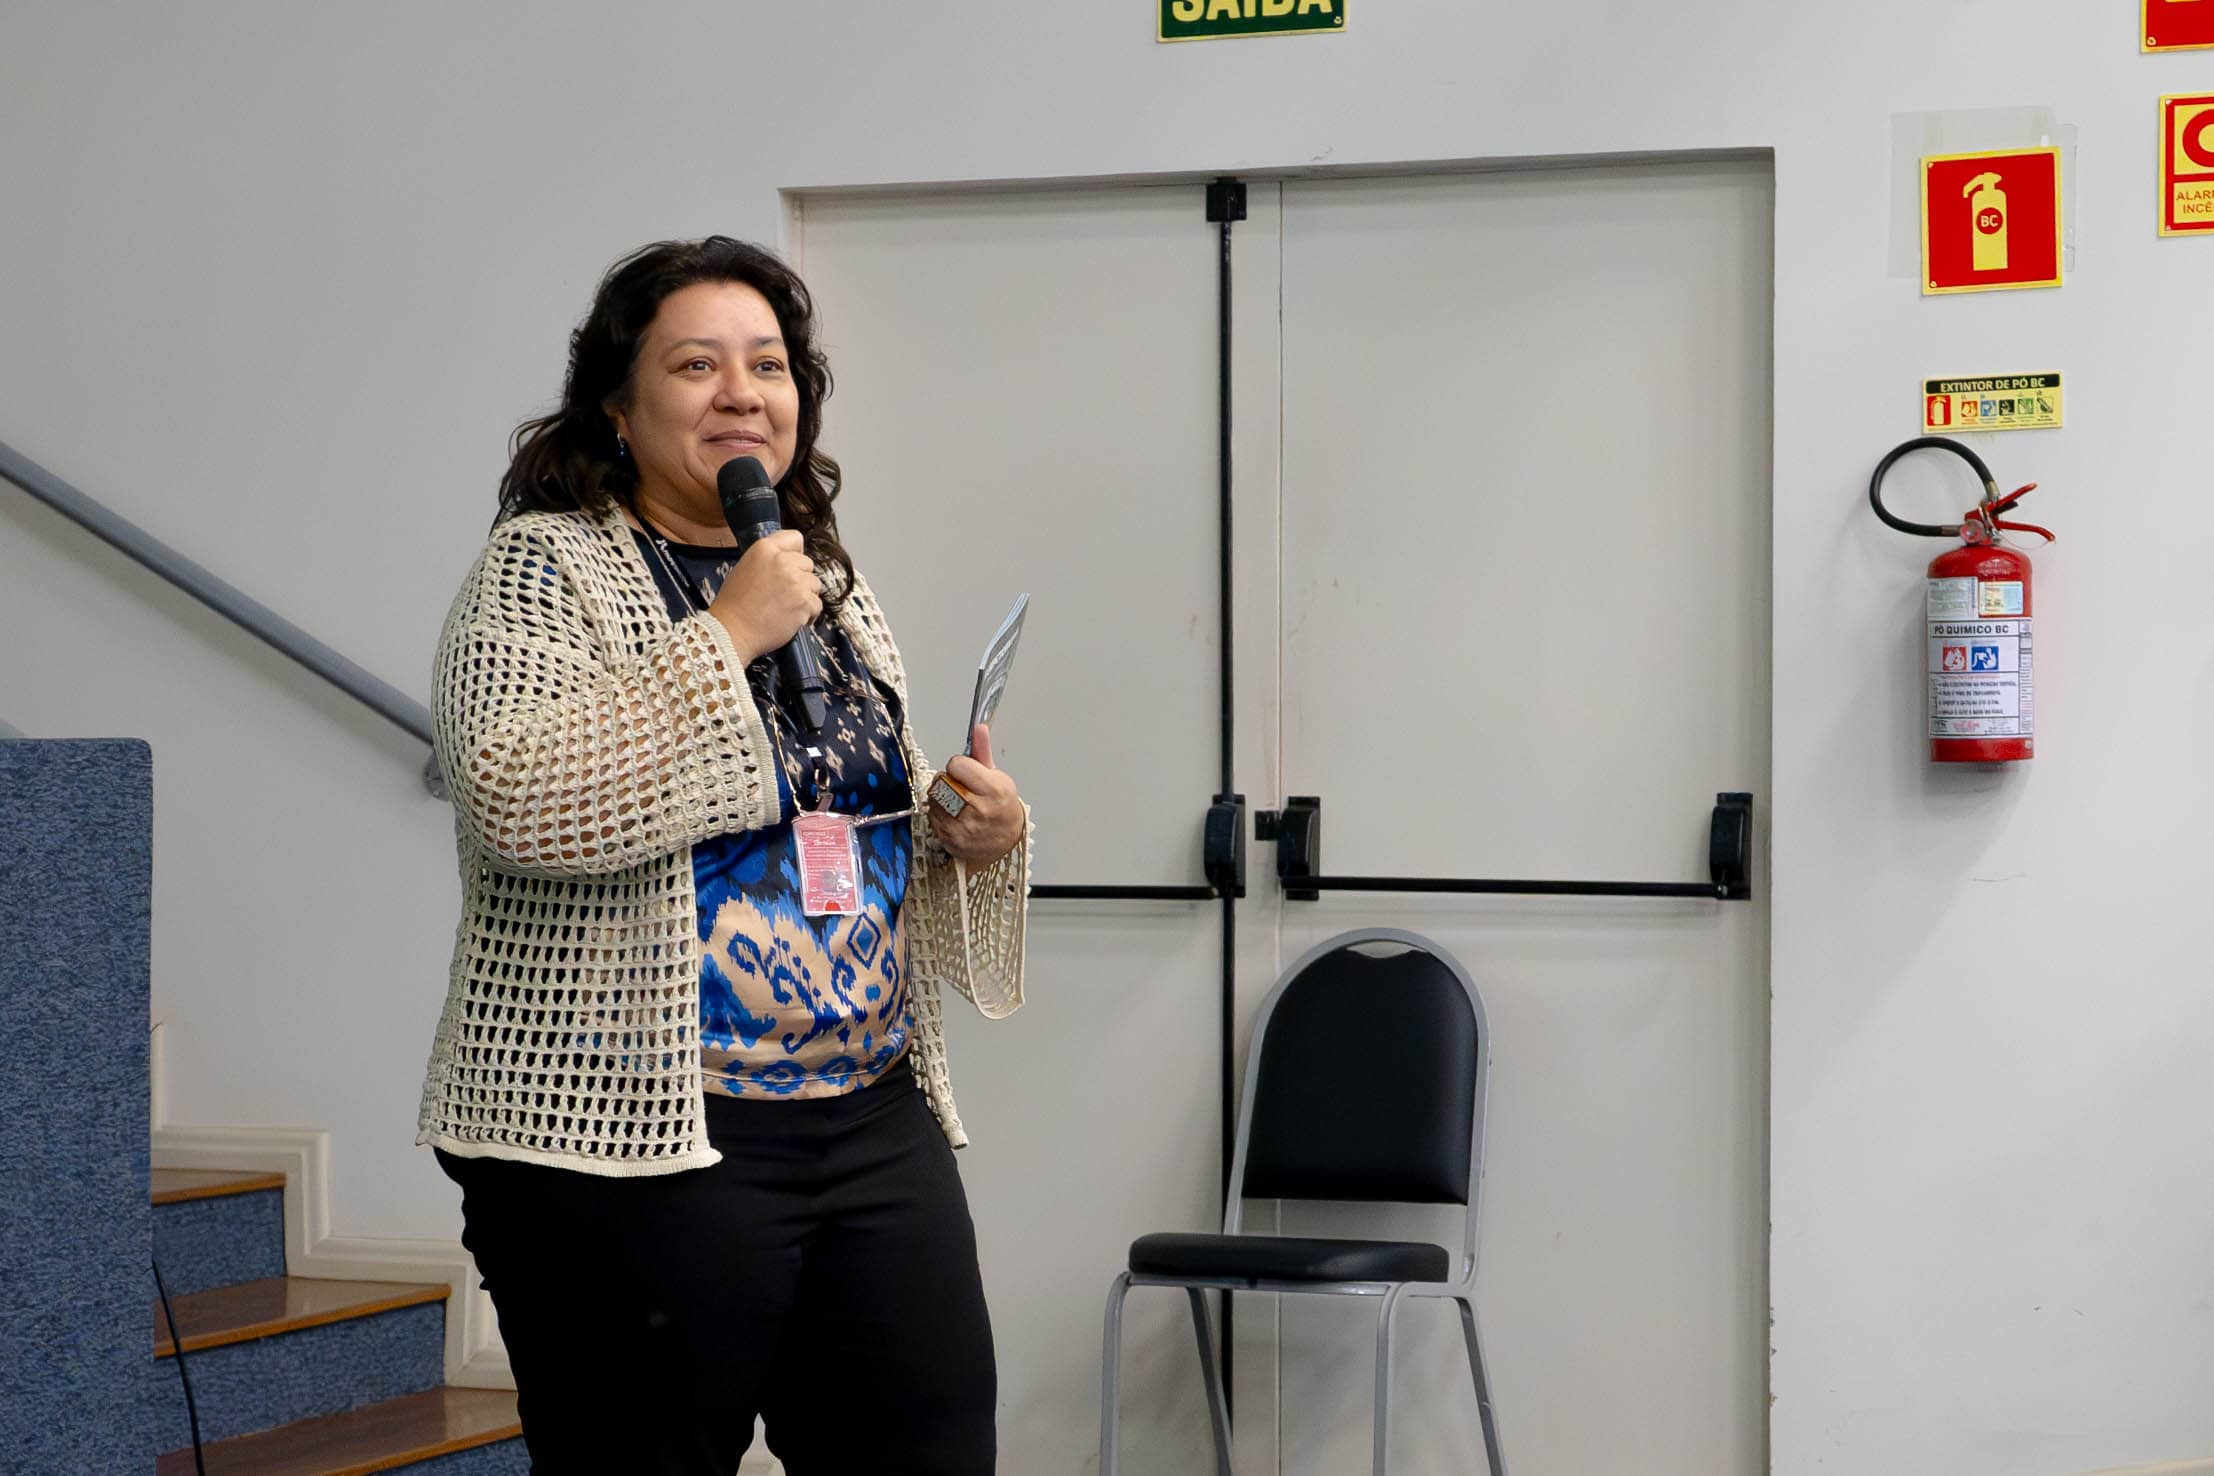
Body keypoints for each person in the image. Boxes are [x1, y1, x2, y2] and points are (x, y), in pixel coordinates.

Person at [416, 236, 1032, 1475]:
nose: (742, 391)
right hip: (639, 1136)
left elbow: (834, 794)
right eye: (696, 364)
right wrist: (725, 634)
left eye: (768, 364)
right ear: (619, 404)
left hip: (869, 1111)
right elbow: (516, 800)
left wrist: (970, 826)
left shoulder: (823, 580)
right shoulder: (543, 569)